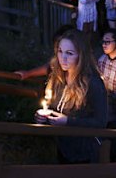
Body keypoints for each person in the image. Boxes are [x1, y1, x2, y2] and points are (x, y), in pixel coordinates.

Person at [34, 29, 107, 164]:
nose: (63, 58)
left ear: (81, 55)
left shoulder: (93, 84)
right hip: (62, 147)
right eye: (60, 52)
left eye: (69, 53)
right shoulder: (58, 77)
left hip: (84, 153)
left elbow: (101, 122)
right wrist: (44, 116)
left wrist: (68, 122)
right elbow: (52, 106)